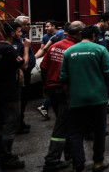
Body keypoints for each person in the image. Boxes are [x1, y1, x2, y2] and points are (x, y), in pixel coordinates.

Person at [61, 25, 109, 172]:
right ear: (95, 36)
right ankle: (98, 163)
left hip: (77, 100)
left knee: (76, 133)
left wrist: (68, 98)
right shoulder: (100, 50)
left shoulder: (69, 51)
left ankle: (79, 166)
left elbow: (64, 78)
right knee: (99, 131)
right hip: (98, 99)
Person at [39, 21, 84, 172]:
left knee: (66, 123)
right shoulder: (74, 49)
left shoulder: (53, 46)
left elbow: (43, 67)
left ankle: (69, 154)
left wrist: (45, 86)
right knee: (62, 126)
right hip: (65, 92)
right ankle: (52, 159)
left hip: (52, 90)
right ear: (78, 34)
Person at [0, 22, 27, 169]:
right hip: (9, 93)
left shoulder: (0, 47)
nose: (21, 34)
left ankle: (2, 154)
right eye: (19, 32)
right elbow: (23, 64)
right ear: (12, 33)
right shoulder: (9, 49)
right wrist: (26, 48)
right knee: (10, 123)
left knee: (1, 123)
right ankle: (7, 157)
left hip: (0, 91)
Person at [12, 15, 36, 133]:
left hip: (27, 73)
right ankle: (17, 125)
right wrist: (21, 71)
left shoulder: (24, 37)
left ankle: (20, 122)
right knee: (20, 99)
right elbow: (18, 59)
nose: (29, 26)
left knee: (25, 99)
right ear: (20, 26)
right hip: (22, 74)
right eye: (27, 24)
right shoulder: (17, 40)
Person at [35, 20, 59, 119]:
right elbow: (43, 49)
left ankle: (45, 105)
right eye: (45, 27)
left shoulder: (60, 34)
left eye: (48, 26)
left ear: (54, 26)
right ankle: (45, 105)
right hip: (51, 64)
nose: (46, 28)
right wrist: (34, 58)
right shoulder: (45, 37)